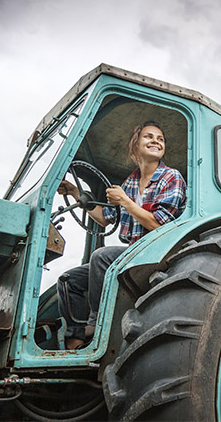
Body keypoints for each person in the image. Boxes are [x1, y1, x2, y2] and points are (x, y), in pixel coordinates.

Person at [56, 120, 186, 349]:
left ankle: (96, 325)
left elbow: (158, 225)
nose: (156, 140)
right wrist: (77, 194)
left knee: (102, 257)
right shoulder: (130, 182)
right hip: (132, 256)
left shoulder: (170, 177)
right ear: (135, 146)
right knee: (69, 281)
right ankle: (75, 341)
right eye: (149, 136)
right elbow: (105, 218)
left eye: (160, 138)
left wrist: (125, 202)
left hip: (157, 255)